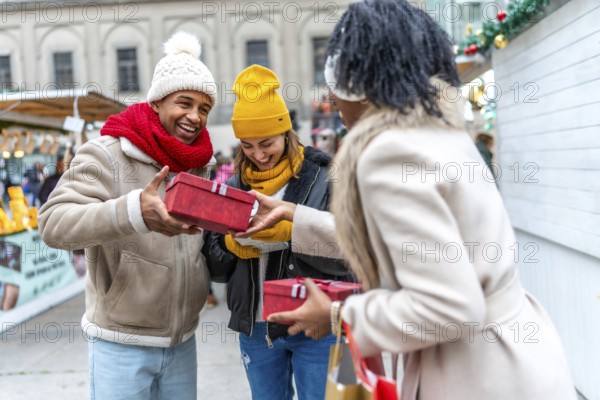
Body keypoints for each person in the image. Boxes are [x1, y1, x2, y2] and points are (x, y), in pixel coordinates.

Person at [234, 2, 577, 399]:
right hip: (515, 360)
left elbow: (449, 307)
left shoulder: (391, 152)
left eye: (336, 81)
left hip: (474, 375)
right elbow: (409, 246)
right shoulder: (437, 134)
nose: (330, 98)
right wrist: (298, 217)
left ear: (359, 82)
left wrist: (338, 316)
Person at [38, 31, 217, 400]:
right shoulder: (106, 154)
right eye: (184, 102)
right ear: (157, 101)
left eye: (204, 108)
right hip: (121, 344)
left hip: (182, 341)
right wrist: (133, 210)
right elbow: (53, 223)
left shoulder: (200, 165)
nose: (194, 116)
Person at [202, 64, 354, 400]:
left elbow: (349, 255)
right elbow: (217, 268)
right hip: (256, 328)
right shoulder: (234, 184)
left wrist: (292, 231)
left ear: (286, 132)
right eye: (248, 145)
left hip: (317, 324)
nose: (258, 155)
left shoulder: (326, 177)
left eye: (266, 143)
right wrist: (228, 242)